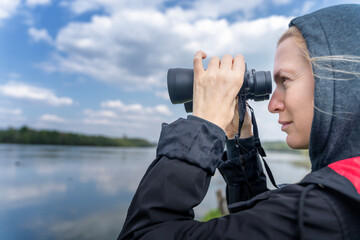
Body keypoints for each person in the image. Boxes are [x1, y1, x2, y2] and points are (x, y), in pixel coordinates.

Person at [118, 4, 360, 240]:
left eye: (284, 81)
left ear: (337, 83)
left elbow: (143, 233)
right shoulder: (341, 198)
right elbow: (258, 223)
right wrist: (240, 140)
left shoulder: (326, 209)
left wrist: (203, 124)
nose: (272, 104)